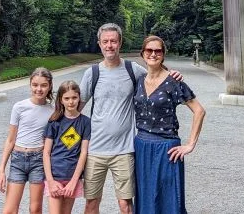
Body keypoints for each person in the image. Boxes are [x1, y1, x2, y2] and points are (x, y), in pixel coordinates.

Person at [79, 23, 182, 214]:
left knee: (126, 205)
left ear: (120, 43)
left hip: (124, 150)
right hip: (95, 149)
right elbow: (75, 109)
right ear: (99, 44)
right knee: (91, 203)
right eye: (105, 41)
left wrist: (172, 74)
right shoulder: (92, 73)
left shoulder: (132, 70)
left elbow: (156, 76)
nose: (109, 45)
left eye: (113, 41)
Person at [133, 35, 205, 214]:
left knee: (168, 198)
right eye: (149, 50)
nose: (153, 54)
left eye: (158, 51)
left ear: (163, 55)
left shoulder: (173, 82)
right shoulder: (139, 80)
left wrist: (190, 145)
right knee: (145, 196)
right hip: (141, 145)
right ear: (143, 54)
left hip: (166, 147)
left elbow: (199, 110)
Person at [0, 67, 54, 214]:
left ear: (49, 86)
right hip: (18, 159)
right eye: (35, 85)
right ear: (30, 85)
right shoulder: (19, 107)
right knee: (9, 210)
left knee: (35, 209)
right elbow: (10, 140)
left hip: (38, 160)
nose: (39, 89)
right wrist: (1, 170)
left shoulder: (52, 111)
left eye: (43, 85)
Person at [43, 80, 91, 214]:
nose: (71, 102)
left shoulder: (86, 122)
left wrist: (74, 181)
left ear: (79, 98)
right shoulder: (54, 122)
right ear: (61, 100)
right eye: (67, 98)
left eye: (74, 98)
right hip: (54, 176)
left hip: (72, 177)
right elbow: (46, 153)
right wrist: (50, 181)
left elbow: (83, 153)